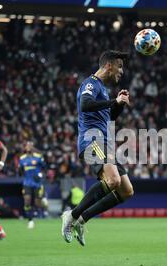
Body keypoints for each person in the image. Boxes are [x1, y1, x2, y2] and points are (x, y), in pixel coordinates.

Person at [61, 50, 134, 246]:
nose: (121, 72)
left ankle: (82, 220)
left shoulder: (102, 89)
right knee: (113, 180)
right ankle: (72, 215)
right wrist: (113, 101)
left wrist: (119, 104)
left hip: (105, 144)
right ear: (108, 65)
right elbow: (85, 105)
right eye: (119, 67)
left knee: (126, 191)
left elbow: (109, 117)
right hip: (92, 141)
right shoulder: (90, 83)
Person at [18, 141, 46, 229]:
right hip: (27, 182)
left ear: (33, 147)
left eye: (31, 145)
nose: (29, 147)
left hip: (37, 183)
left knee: (37, 203)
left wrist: (40, 175)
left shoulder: (38, 157)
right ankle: (30, 220)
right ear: (25, 148)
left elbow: (45, 168)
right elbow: (20, 172)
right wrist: (19, 169)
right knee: (27, 201)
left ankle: (43, 201)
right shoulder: (22, 158)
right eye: (27, 145)